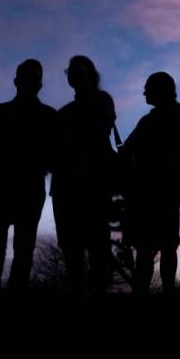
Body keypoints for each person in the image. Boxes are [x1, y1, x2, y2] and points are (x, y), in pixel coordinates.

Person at [0, 59, 56, 291]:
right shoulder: (0, 112)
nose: (31, 81)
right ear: (16, 81)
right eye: (27, 76)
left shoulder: (48, 116)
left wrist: (41, 169)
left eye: (35, 77)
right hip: (4, 186)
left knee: (24, 247)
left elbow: (56, 152)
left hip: (30, 187)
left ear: (39, 84)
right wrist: (2, 174)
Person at [50, 55, 116, 294]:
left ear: (90, 73)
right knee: (71, 250)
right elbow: (53, 150)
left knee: (98, 249)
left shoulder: (102, 100)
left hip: (94, 184)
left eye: (79, 69)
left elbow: (99, 131)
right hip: (64, 187)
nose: (74, 73)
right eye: (71, 70)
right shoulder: (62, 113)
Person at [121, 72, 180, 294]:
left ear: (160, 90)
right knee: (144, 248)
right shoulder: (148, 120)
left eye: (148, 88)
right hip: (144, 194)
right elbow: (129, 149)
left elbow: (149, 148)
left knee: (167, 246)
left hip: (166, 192)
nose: (144, 92)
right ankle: (142, 290)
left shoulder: (178, 114)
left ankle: (167, 289)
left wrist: (133, 155)